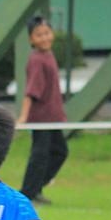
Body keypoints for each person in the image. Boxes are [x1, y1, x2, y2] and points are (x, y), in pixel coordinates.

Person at [17, 14, 68, 205]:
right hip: (41, 118)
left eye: (47, 32)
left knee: (59, 152)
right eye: (39, 35)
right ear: (31, 39)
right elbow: (31, 91)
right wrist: (23, 116)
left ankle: (35, 189)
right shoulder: (37, 60)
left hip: (53, 117)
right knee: (39, 155)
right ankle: (27, 194)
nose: (45, 38)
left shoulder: (48, 55)